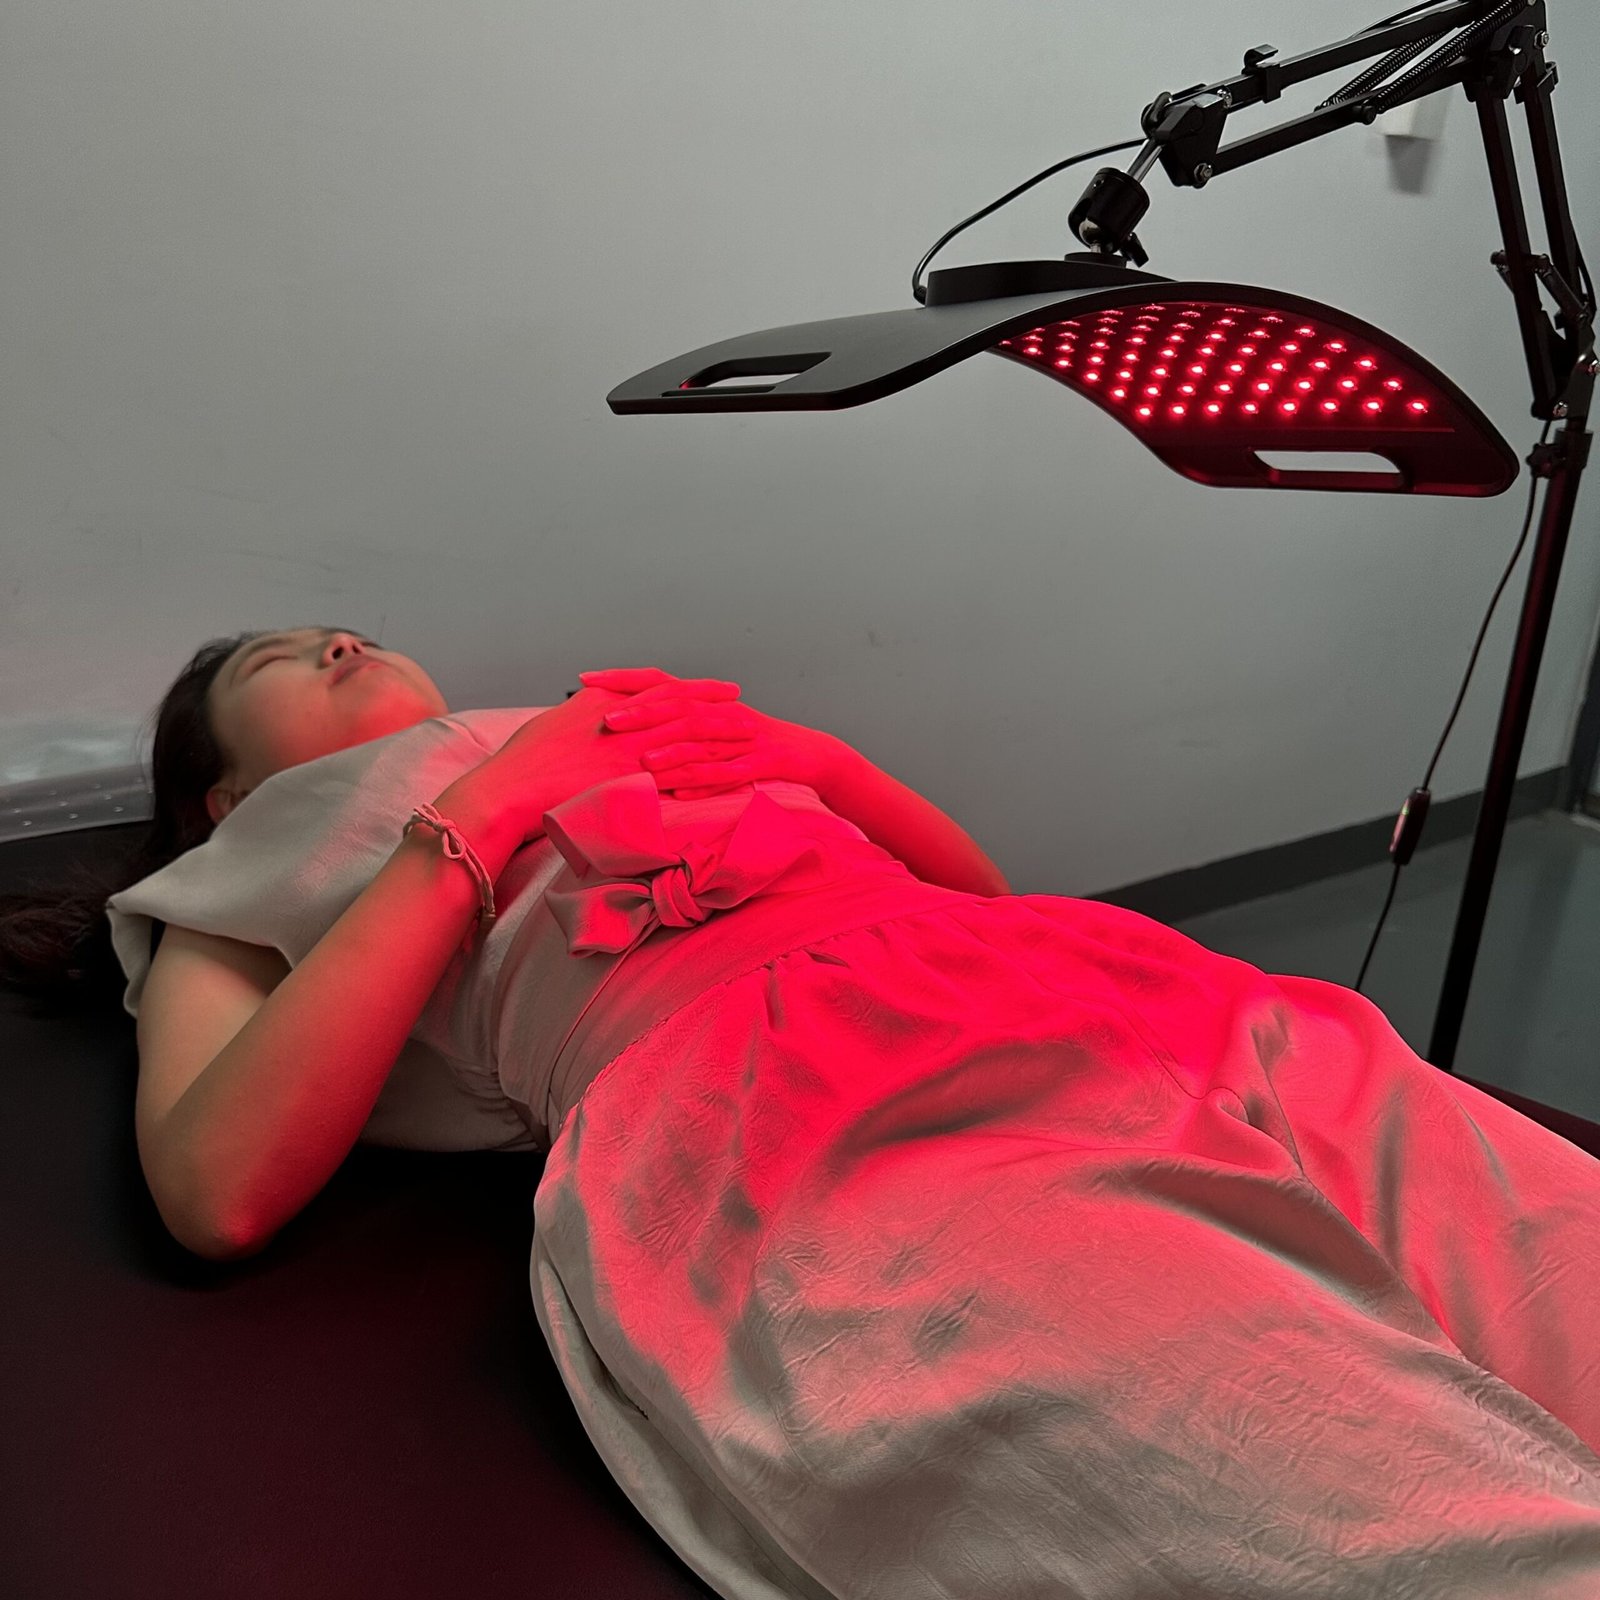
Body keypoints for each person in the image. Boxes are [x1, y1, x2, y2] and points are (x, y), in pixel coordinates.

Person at [5, 623, 1600, 1599]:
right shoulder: (241, 877)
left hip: (1099, 985)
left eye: (344, 628)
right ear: (225, 795)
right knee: (1357, 1500)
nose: (338, 639)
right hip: (802, 1112)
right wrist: (478, 815)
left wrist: (814, 761)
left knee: (1556, 1257)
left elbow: (975, 895)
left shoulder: (608, 726)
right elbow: (215, 1186)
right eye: (280, 661)